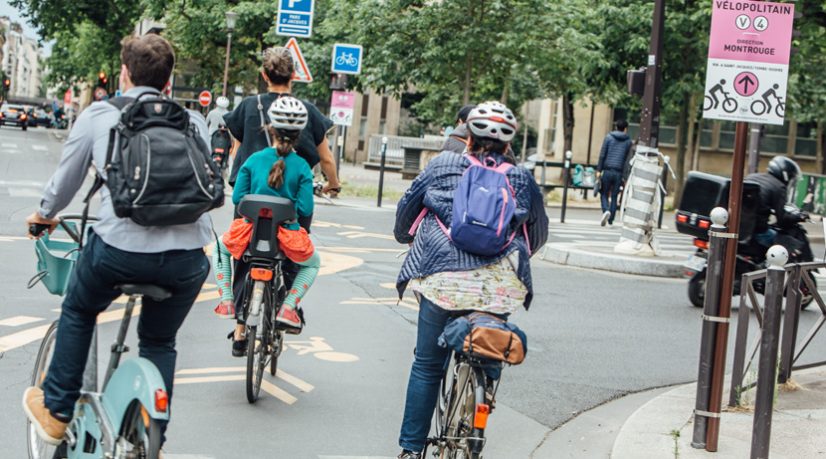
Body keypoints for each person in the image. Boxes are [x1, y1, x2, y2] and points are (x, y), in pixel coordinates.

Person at [23, 34, 211, 445]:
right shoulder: (192, 120)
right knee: (160, 340)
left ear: (124, 73)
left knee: (78, 308)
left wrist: (43, 215)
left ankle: (57, 411)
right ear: (169, 79)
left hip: (119, 253)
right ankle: (151, 437)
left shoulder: (99, 114)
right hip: (187, 261)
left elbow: (65, 183)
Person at [392, 101, 549, 459]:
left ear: (467, 137)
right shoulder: (521, 178)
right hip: (498, 284)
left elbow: (406, 212)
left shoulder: (443, 164)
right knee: (489, 344)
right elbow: (537, 233)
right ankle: (479, 405)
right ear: (509, 145)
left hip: (441, 277)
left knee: (428, 365)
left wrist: (406, 236)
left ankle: (411, 451)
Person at [219, 96, 321, 355]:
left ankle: (228, 301)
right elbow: (306, 208)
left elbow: (238, 198)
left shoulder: (253, 160)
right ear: (300, 134)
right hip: (286, 239)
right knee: (313, 263)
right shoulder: (302, 167)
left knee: (219, 249)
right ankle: (288, 306)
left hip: (250, 234)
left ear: (269, 128)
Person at [223, 46, 341, 205]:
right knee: (299, 223)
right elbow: (326, 158)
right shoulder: (305, 111)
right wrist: (333, 184)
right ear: (293, 75)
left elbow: (237, 152)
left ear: (265, 75)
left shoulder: (248, 106)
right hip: (290, 199)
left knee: (240, 228)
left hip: (251, 197)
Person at [746, 155, 805, 247]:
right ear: (785, 174)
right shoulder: (779, 186)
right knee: (791, 245)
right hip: (758, 233)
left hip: (742, 229)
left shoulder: (751, 177)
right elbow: (782, 220)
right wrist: (799, 217)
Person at [597, 119, 632, 226]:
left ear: (616, 127)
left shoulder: (608, 138)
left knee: (603, 193)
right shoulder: (628, 142)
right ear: (625, 129)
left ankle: (606, 210)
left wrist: (599, 170)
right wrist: (626, 176)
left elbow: (602, 154)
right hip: (619, 172)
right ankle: (611, 219)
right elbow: (627, 160)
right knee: (614, 196)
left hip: (607, 170)